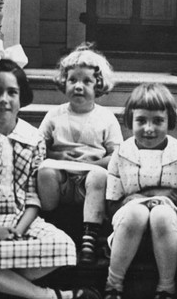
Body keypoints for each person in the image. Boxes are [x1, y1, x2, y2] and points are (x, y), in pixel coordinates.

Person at [0, 36, 101, 299]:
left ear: (22, 98)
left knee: (64, 246)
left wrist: (19, 230)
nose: (3, 99)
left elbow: (34, 195)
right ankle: (52, 296)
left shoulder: (32, 139)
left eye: (12, 92)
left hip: (24, 220)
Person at [103, 83, 177, 299]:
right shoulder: (122, 154)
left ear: (169, 121)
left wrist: (151, 197)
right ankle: (113, 284)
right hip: (128, 232)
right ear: (130, 121)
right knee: (137, 212)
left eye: (158, 121)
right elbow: (112, 202)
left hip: (168, 235)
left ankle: (166, 287)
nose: (149, 128)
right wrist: (149, 199)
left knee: (162, 214)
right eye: (141, 120)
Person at [37, 43, 123, 265]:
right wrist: (57, 158)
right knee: (44, 172)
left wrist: (96, 162)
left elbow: (117, 154)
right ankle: (48, 223)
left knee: (99, 176)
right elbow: (38, 147)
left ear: (99, 86)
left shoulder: (106, 118)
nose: (78, 86)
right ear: (63, 82)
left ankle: (89, 237)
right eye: (72, 80)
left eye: (87, 81)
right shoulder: (54, 115)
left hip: (90, 182)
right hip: (61, 179)